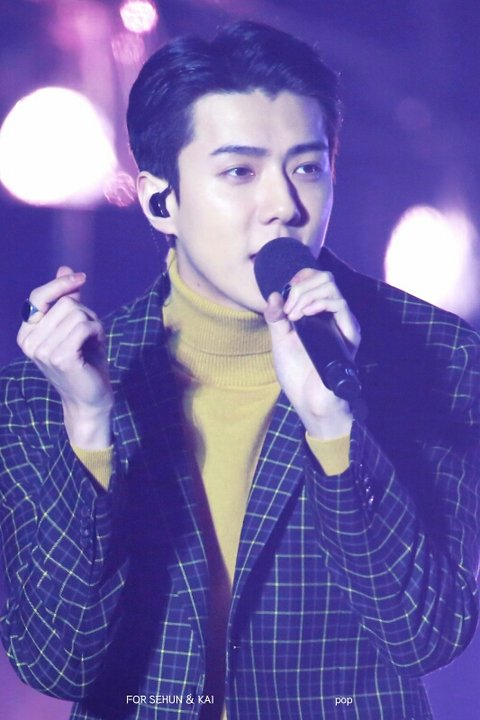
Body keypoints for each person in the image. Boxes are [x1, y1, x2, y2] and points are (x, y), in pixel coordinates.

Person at [1, 19, 479, 720]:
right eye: (239, 172)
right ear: (161, 201)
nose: (284, 206)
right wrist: (90, 428)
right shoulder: (43, 389)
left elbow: (424, 638)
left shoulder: (434, 356)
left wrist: (334, 429)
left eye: (307, 168)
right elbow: (57, 661)